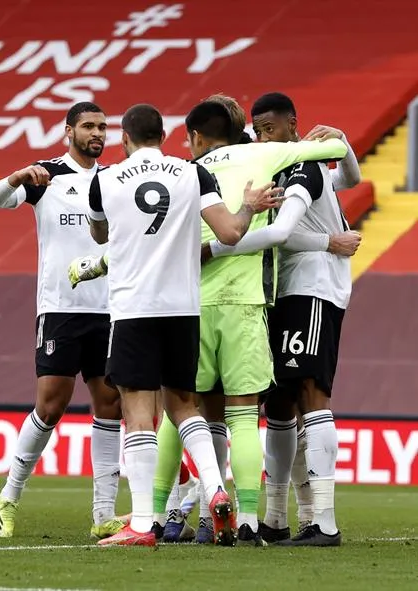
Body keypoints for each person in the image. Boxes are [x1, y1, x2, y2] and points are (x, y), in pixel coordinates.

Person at [71, 99, 349, 545]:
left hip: (174, 303)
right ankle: (250, 521)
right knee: (239, 417)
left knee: (166, 415)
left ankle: (161, 516)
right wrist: (330, 143)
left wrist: (95, 263)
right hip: (230, 306)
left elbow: (109, 236)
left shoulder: (134, 175)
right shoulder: (216, 167)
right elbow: (239, 227)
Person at [89, 103, 282, 547]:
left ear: (125, 138)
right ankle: (216, 490)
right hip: (183, 310)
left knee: (138, 413)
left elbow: (99, 236)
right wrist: (249, 206)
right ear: (165, 135)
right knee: (184, 407)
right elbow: (231, 232)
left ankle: (142, 523)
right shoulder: (193, 173)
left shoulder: (104, 179)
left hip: (134, 307)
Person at [206, 92, 362, 546]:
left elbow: (282, 231)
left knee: (313, 393)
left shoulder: (302, 167)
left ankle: (324, 522)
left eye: (270, 127)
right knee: (279, 404)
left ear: (293, 125)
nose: (262, 134)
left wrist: (326, 243)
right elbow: (346, 179)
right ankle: (276, 518)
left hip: (312, 289)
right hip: (284, 291)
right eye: (258, 128)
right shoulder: (276, 166)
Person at [0, 102, 123, 540]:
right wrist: (18, 176)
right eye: (88, 126)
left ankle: (103, 515)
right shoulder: (46, 175)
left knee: (110, 406)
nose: (97, 133)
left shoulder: (114, 180)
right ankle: (8, 497)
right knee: (50, 405)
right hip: (61, 309)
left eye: (102, 126)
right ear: (69, 132)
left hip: (108, 308)